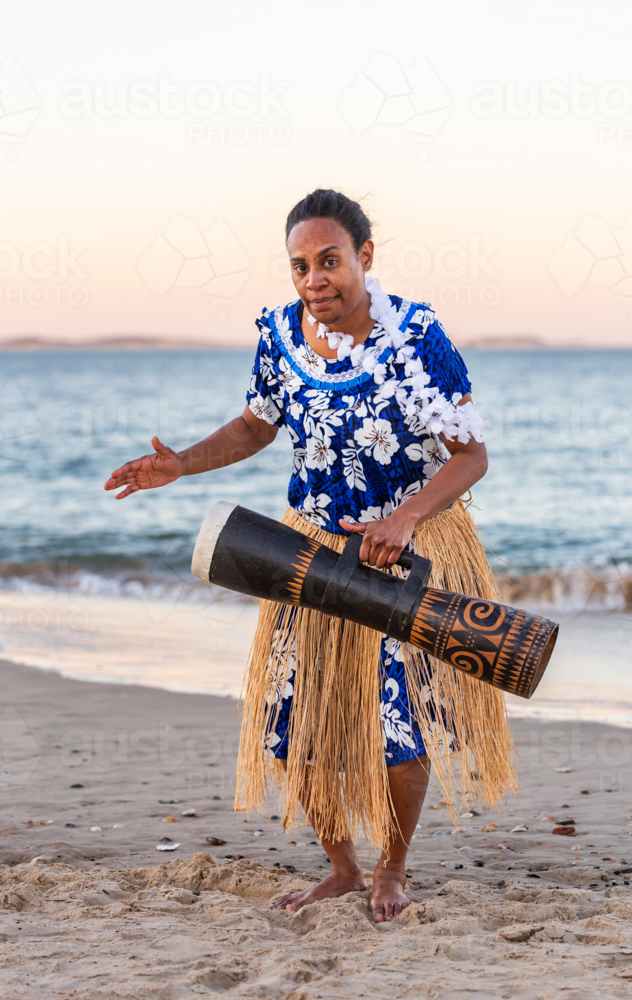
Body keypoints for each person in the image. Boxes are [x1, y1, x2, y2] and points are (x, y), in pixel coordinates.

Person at [104, 189, 517, 923]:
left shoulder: (417, 338)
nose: (313, 279)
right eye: (299, 266)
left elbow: (470, 456)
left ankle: (391, 868)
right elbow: (254, 426)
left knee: (397, 724)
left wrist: (405, 517)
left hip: (402, 552)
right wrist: (184, 464)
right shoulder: (279, 335)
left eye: (328, 261)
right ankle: (340, 868)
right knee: (298, 719)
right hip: (306, 556)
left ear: (363, 256)